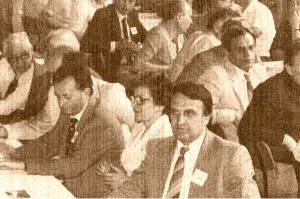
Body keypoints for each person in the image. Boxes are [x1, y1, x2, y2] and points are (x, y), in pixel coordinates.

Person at [0, 65, 130, 197]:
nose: (61, 103)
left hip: (94, 194)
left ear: (86, 92)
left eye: (67, 97)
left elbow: (73, 165)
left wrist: (23, 165)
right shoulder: (72, 108)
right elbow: (50, 143)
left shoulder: (101, 122)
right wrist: (15, 153)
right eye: (57, 96)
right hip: (70, 184)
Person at [109, 82, 259, 198]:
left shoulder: (231, 155)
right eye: (175, 113)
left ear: (206, 117)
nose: (180, 121)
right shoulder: (156, 148)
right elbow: (131, 190)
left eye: (189, 113)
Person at [240, 49, 300, 195]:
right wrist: (285, 139)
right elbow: (245, 129)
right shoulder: (270, 90)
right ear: (289, 69)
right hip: (285, 166)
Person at [180, 22, 259, 139]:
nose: (248, 54)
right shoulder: (215, 75)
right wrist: (232, 115)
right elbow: (197, 112)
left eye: (251, 48)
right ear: (227, 52)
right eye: (240, 50)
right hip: (235, 141)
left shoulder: (258, 73)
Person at [81, 0, 147, 82]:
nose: (126, 5)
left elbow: (145, 36)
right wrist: (118, 45)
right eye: (123, 0)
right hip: (113, 69)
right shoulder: (103, 14)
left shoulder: (132, 14)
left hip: (134, 65)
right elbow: (87, 44)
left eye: (131, 1)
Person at [121, 76, 173, 174]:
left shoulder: (164, 137)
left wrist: (123, 177)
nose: (133, 105)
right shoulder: (141, 126)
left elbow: (149, 176)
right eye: (133, 99)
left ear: (160, 106)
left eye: (140, 101)